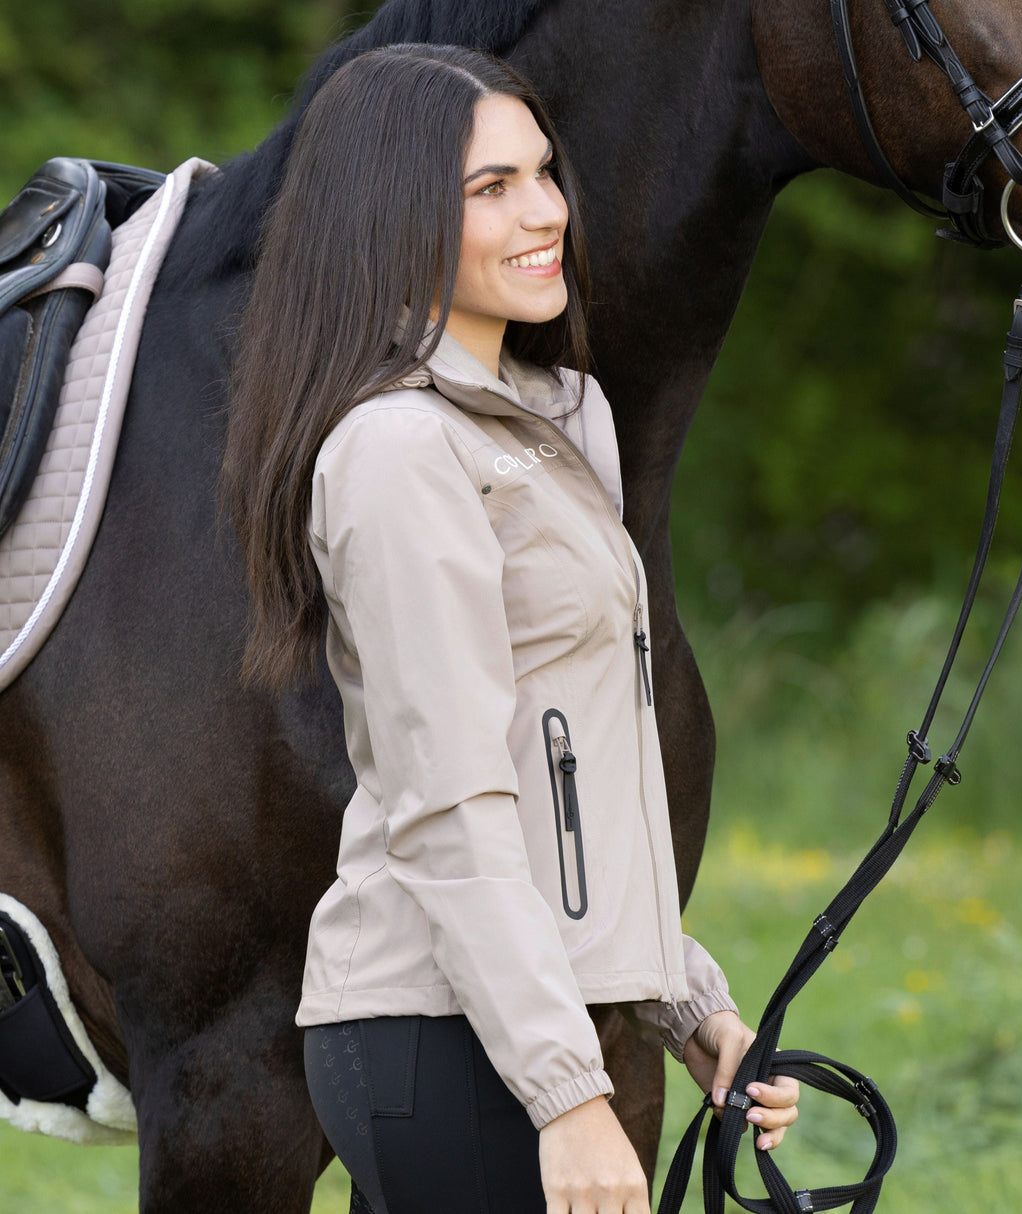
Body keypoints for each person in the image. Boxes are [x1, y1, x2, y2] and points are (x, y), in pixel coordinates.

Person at [222, 42, 799, 1214]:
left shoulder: (547, 423)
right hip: (439, 1043)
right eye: (490, 188)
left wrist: (689, 1005)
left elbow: (576, 773)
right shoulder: (398, 453)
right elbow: (451, 802)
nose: (544, 212)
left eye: (543, 173)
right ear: (391, 214)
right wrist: (565, 1095)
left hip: (523, 1024)